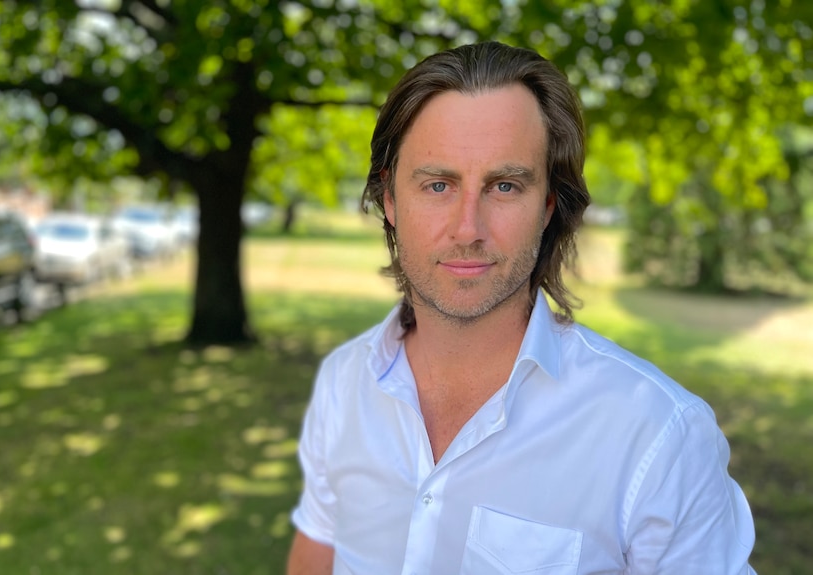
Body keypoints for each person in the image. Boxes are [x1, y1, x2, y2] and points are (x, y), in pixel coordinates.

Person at [287, 41, 757, 574]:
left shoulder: (659, 436)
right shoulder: (342, 382)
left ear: (549, 205)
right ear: (390, 199)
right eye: (438, 185)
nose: (468, 229)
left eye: (505, 186)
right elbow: (316, 555)